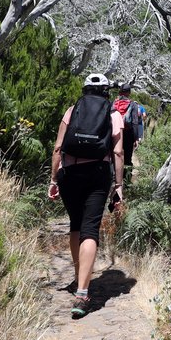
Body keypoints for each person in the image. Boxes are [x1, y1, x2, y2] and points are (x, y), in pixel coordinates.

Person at [49, 73, 125, 318]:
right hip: (98, 173)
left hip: (70, 172)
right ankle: (83, 292)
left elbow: (58, 147)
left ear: (84, 91)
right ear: (106, 92)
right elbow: (119, 152)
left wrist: (53, 179)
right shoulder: (114, 115)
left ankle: (76, 277)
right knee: (90, 228)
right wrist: (118, 185)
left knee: (76, 225)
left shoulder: (73, 110)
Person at [112, 82, 144, 169]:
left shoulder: (114, 103)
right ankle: (125, 177)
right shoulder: (132, 104)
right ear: (129, 93)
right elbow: (134, 122)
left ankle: (114, 175)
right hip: (127, 133)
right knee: (127, 155)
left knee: (114, 153)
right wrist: (136, 138)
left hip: (115, 131)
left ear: (120, 92)